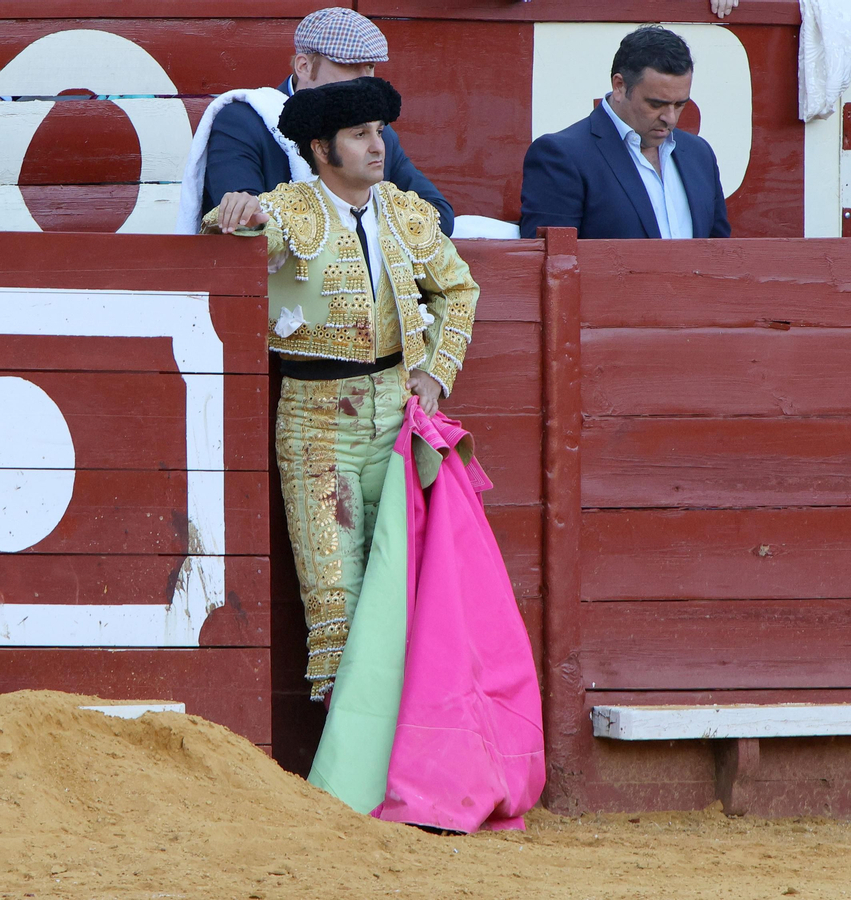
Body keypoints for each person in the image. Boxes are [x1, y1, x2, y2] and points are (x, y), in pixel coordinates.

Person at [202, 77, 477, 702]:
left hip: (398, 422)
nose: (378, 147)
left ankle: (402, 765)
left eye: (379, 133)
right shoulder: (291, 209)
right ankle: (348, 778)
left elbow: (459, 289)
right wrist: (231, 214)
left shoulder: (406, 213)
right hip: (316, 427)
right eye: (360, 136)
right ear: (322, 149)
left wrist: (436, 373)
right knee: (337, 609)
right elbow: (233, 237)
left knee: (404, 596)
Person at [178, 7, 454, 236]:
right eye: (349, 66)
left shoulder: (379, 134)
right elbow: (244, 222)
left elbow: (439, 215)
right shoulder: (243, 121)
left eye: (370, 67)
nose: (364, 81)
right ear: (304, 66)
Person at [518, 25, 730, 240]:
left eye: (680, 105)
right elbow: (549, 263)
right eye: (656, 104)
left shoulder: (699, 153)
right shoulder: (561, 156)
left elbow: (721, 254)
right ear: (619, 86)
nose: (670, 118)